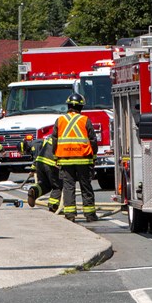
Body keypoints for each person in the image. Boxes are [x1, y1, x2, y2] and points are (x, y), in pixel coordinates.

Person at [54, 93, 99, 221]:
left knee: (68, 187)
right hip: (83, 159)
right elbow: (93, 140)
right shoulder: (85, 120)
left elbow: (54, 139)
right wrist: (94, 156)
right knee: (86, 186)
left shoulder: (60, 120)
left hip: (65, 159)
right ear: (80, 107)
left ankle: (70, 215)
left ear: (68, 106)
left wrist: (55, 156)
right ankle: (90, 215)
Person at [25, 132, 62, 213]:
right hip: (52, 163)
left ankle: (34, 191)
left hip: (40, 162)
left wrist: (33, 168)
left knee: (45, 184)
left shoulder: (49, 137)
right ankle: (53, 207)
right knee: (57, 186)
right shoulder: (64, 137)